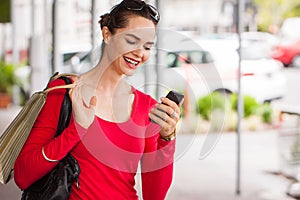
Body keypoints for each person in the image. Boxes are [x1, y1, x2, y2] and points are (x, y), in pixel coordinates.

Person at [14, 0, 183, 199]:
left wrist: (166, 139)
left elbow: (154, 195)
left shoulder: (147, 107)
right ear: (107, 34)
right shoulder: (65, 92)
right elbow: (23, 176)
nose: (140, 53)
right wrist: (76, 130)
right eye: (131, 41)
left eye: (147, 46)